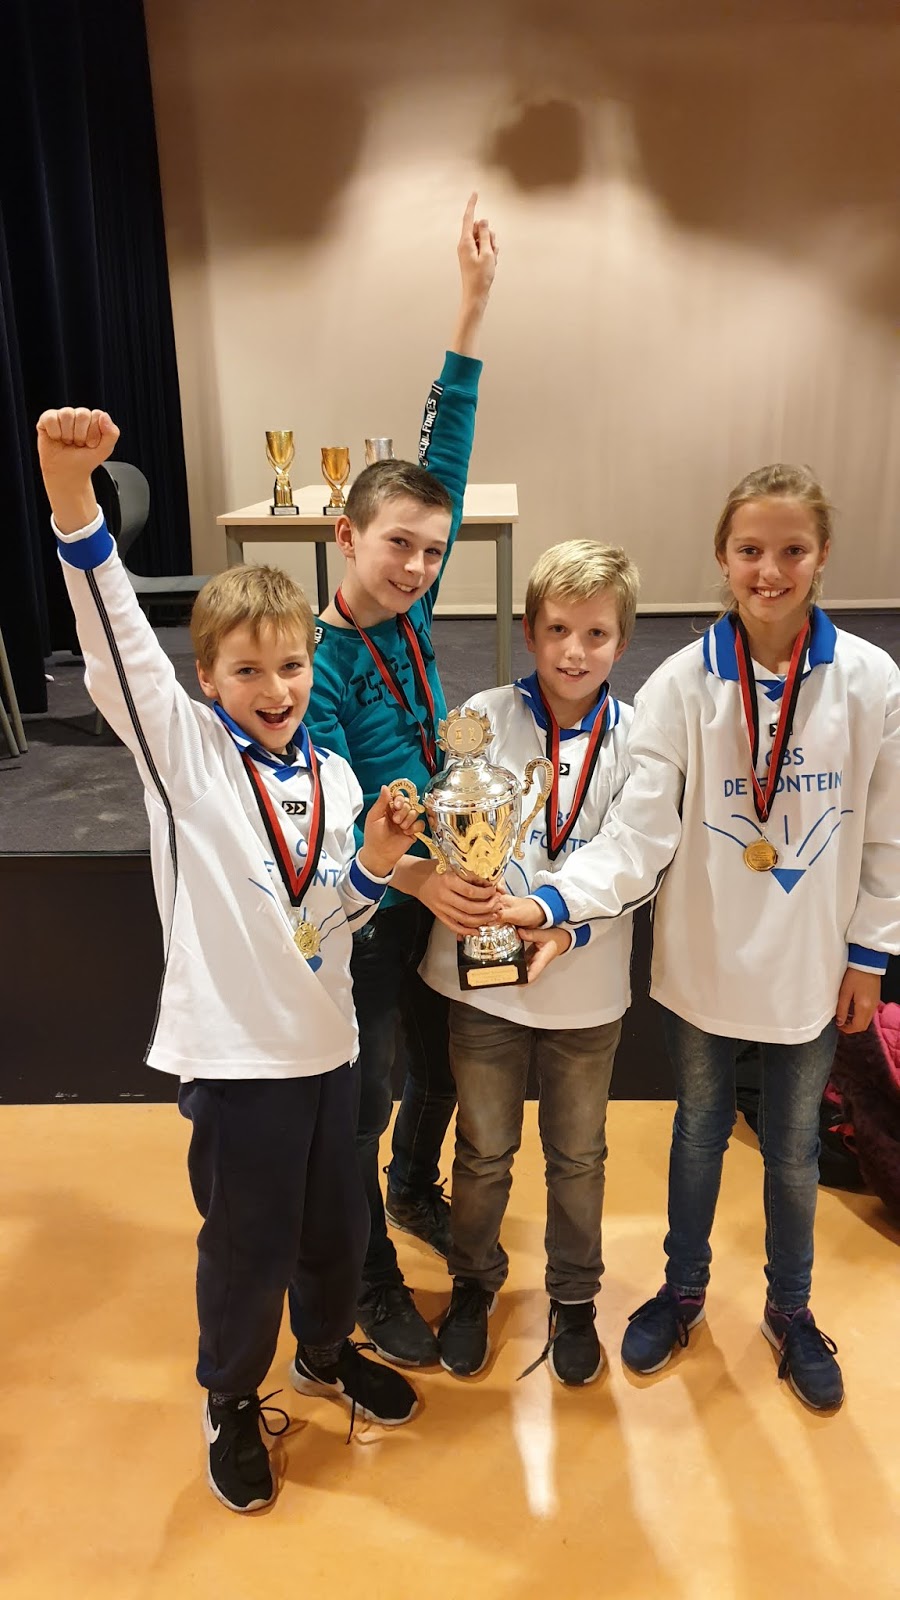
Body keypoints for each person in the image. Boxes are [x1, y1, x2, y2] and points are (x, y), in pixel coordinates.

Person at [37, 406, 424, 1513]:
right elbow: (116, 640)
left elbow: (331, 915)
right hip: (241, 1061)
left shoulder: (335, 778)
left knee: (337, 1234)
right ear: (207, 678)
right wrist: (72, 498)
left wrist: (376, 864)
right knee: (249, 1249)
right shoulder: (185, 753)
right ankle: (231, 1397)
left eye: (291, 664)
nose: (276, 688)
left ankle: (324, 1353)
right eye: (247, 669)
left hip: (328, 1049)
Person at [496, 463, 900, 1411]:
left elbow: (888, 829)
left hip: (811, 966)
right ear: (723, 556)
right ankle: (683, 1294)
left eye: (792, 550)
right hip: (705, 961)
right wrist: (558, 903)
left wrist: (871, 954)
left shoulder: (871, 680)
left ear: (822, 556)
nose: (770, 570)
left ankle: (791, 1309)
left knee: (794, 1150)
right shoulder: (681, 685)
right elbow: (640, 835)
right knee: (699, 1133)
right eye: (751, 550)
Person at [305, 194, 499, 1366]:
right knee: (367, 1092)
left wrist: (470, 310)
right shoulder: (317, 668)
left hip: (435, 884)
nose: (420, 566)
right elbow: (337, 831)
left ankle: (415, 1190)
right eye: (397, 545)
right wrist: (421, 878)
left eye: (432, 549)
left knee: (441, 1064)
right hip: (372, 905)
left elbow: (448, 457)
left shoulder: (412, 607)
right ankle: (369, 1276)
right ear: (346, 536)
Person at [419, 541, 639, 1384]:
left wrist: (565, 926)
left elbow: (636, 858)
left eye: (595, 634)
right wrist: (458, 888)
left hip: (586, 988)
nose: (573, 652)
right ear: (528, 630)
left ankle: (575, 1297)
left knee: (579, 1157)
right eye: (556, 630)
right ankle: (473, 1283)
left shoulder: (638, 741)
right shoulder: (481, 719)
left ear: (622, 640)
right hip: (486, 988)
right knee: (482, 1150)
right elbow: (452, 833)